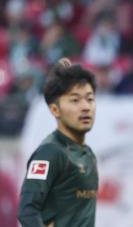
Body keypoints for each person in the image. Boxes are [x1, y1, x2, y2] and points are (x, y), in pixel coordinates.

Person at [18, 58, 98, 227]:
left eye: (89, 99)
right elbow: (27, 210)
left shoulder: (88, 154)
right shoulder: (50, 153)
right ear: (55, 110)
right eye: (75, 100)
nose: (85, 107)